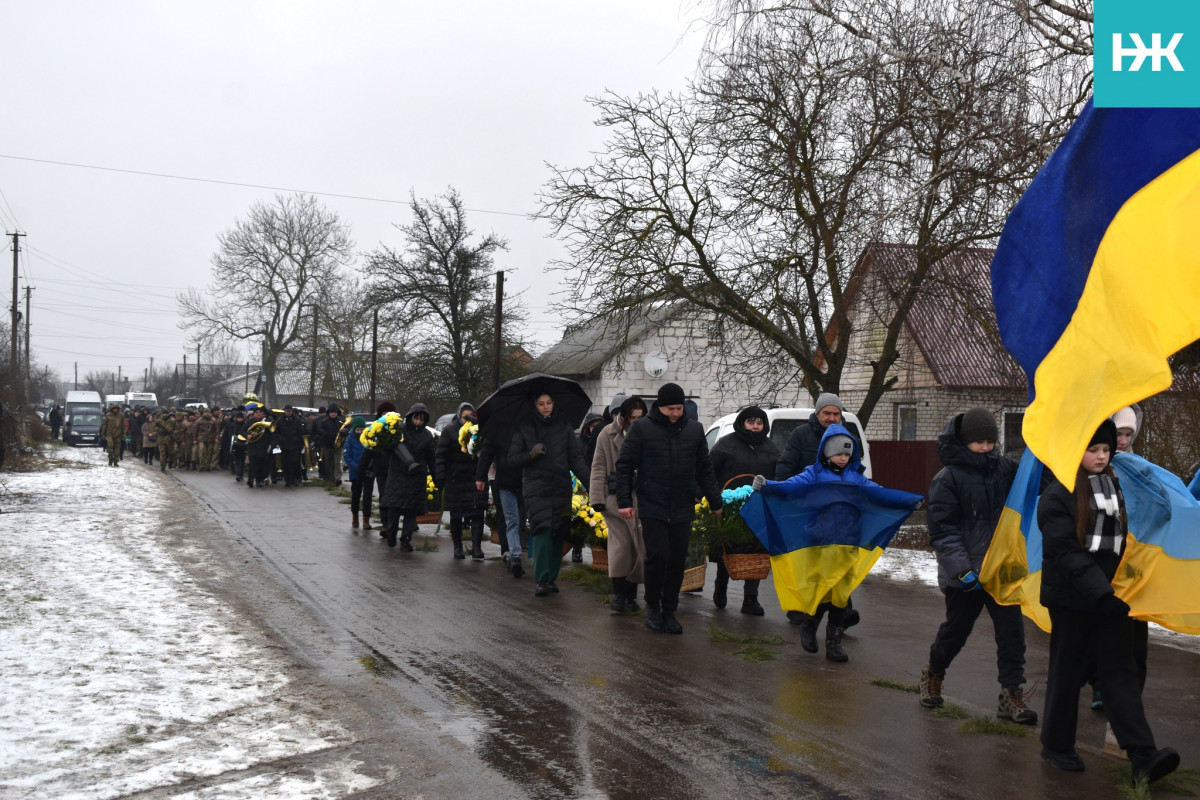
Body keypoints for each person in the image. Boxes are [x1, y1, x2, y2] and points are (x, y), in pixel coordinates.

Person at [1037, 419, 1179, 784]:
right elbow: (1065, 552)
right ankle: (1056, 745)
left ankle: (1143, 755)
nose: (1101, 457)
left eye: (1106, 450)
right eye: (1093, 451)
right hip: (1072, 599)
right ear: (1076, 452)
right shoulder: (1057, 495)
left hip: (1112, 598)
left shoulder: (1118, 486)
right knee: (1068, 672)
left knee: (1120, 672)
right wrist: (1099, 594)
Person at [918, 408, 1036, 723]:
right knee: (956, 632)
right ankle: (934, 673)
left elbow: (1036, 481)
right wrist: (962, 569)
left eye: (989, 441)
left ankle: (1011, 696)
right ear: (964, 441)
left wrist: (1043, 449)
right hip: (966, 575)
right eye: (978, 442)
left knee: (1012, 635)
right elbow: (943, 531)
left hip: (1001, 570)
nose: (986, 447)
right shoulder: (947, 479)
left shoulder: (1004, 469)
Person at [753, 423, 875, 661]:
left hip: (848, 545)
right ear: (827, 452)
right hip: (819, 544)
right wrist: (768, 484)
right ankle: (809, 624)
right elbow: (791, 486)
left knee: (840, 596)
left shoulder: (856, 477)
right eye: (839, 453)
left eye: (847, 454)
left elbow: (879, 493)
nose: (843, 458)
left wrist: (904, 500)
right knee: (822, 591)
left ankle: (834, 643)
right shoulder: (813, 474)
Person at [614, 383, 721, 634]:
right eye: (670, 408)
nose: (675, 413)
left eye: (679, 408)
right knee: (657, 556)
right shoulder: (642, 428)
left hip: (683, 503)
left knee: (676, 559)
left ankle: (669, 610)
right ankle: (652, 606)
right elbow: (625, 466)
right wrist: (624, 503)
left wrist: (715, 501)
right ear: (659, 407)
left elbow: (704, 468)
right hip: (653, 503)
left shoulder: (694, 430)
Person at [775, 393, 862, 634]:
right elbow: (786, 464)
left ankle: (841, 612)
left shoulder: (847, 437)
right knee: (809, 563)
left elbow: (855, 469)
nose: (832, 418)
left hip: (837, 512)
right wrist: (782, 494)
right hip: (806, 509)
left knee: (838, 563)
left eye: (836, 414)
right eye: (827, 413)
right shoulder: (801, 434)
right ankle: (799, 608)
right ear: (817, 414)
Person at [508, 392, 591, 596]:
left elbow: (576, 459)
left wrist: (591, 482)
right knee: (543, 530)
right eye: (541, 403)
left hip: (561, 486)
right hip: (536, 487)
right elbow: (512, 460)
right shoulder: (525, 427)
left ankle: (551, 578)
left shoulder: (564, 427)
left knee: (558, 532)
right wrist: (531, 454)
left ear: (554, 404)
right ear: (534, 405)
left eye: (549, 403)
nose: (545, 407)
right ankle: (541, 578)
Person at [708, 406, 778, 617]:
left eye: (759, 423)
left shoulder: (770, 447)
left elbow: (778, 473)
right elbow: (709, 471)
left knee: (755, 550)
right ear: (742, 423)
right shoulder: (726, 445)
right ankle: (721, 586)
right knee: (728, 548)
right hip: (729, 506)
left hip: (758, 507)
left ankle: (751, 600)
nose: (756, 427)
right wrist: (714, 498)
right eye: (751, 422)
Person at [589, 393, 648, 612]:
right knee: (620, 545)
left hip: (639, 497)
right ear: (624, 416)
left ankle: (630, 596)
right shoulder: (607, 433)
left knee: (636, 546)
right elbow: (598, 466)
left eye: (640, 417)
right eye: (632, 417)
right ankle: (619, 594)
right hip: (613, 498)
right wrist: (596, 498)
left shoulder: (646, 433)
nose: (636, 421)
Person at [436, 402, 489, 560]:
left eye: (471, 416)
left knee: (477, 512)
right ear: (459, 415)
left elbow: (486, 450)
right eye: (465, 416)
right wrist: (440, 475)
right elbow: (440, 455)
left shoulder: (480, 430)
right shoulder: (449, 431)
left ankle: (476, 547)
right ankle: (458, 547)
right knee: (457, 515)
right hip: (456, 479)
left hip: (476, 477)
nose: (468, 419)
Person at [382, 404, 436, 550]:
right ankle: (392, 533)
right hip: (398, 475)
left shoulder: (427, 436)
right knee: (394, 508)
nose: (418, 421)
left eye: (421, 419)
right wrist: (390, 444)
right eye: (416, 418)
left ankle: (406, 539)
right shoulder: (399, 431)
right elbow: (386, 450)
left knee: (411, 511)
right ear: (410, 417)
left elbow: (431, 458)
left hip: (417, 477)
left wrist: (437, 477)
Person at [476, 429, 526, 576]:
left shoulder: (529, 426)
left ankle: (514, 553)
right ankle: (514, 556)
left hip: (526, 481)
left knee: (521, 521)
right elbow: (487, 452)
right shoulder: (498, 429)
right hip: (505, 482)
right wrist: (480, 476)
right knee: (511, 520)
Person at [572, 412, 606, 563]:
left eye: (599, 426)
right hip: (581, 487)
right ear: (587, 427)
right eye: (593, 426)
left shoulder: (603, 440)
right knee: (580, 520)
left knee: (598, 521)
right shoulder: (578, 442)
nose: (596, 429)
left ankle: (600, 554)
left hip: (597, 484)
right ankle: (577, 549)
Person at [343, 416, 371, 530]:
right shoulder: (349, 439)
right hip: (355, 472)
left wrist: (369, 467)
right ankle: (355, 517)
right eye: (357, 429)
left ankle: (366, 519)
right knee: (356, 495)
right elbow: (347, 456)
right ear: (354, 429)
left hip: (368, 471)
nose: (359, 432)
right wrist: (357, 467)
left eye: (361, 429)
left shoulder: (369, 438)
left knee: (367, 497)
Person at [274, 405, 306, 486]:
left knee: (295, 462)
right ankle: (288, 480)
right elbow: (277, 432)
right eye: (287, 411)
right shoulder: (280, 420)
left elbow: (300, 432)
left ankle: (296, 479)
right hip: (284, 444)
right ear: (285, 411)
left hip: (295, 444)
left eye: (289, 411)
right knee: (286, 463)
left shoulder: (297, 420)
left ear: (291, 411)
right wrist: (277, 443)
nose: (288, 412)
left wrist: (302, 443)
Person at [315, 406, 345, 484]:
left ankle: (337, 478)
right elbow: (318, 429)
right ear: (329, 413)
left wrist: (345, 431)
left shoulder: (341, 421)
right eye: (332, 412)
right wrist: (325, 433)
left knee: (337, 462)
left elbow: (347, 428)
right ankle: (329, 477)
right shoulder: (324, 421)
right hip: (327, 444)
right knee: (328, 462)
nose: (333, 414)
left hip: (338, 445)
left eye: (335, 412)